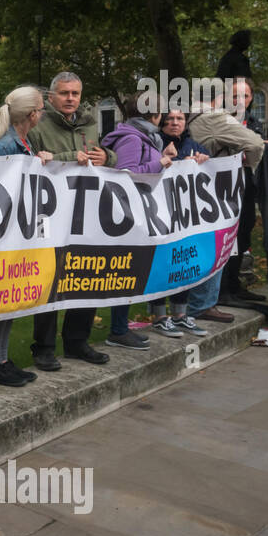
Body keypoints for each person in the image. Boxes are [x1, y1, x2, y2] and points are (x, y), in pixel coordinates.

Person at [27, 71, 115, 370]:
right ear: (51, 97)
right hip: (50, 215)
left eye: (75, 93)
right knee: (50, 280)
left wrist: (107, 156)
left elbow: (101, 158)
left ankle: (77, 342)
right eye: (64, 93)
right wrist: (67, 155)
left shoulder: (89, 125)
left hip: (85, 212)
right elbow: (34, 163)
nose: (70, 99)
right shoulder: (38, 124)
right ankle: (44, 347)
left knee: (85, 276)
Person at [0, 86, 53, 386]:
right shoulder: (4, 147)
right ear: (32, 115)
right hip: (2, 236)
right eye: (41, 108)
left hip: (16, 234)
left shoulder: (21, 144)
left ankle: (2, 360)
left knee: (9, 297)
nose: (42, 113)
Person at [100, 95, 174, 349]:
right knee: (126, 270)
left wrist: (161, 158)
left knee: (132, 271)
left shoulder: (144, 136)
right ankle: (118, 330)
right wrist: (160, 162)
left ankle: (121, 327)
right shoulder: (132, 138)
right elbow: (126, 175)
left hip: (140, 212)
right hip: (128, 216)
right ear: (152, 115)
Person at [185, 89, 264, 321]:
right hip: (219, 189)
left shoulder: (188, 116)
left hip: (196, 189)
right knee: (219, 241)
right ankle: (206, 302)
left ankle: (204, 301)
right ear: (218, 99)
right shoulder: (215, 117)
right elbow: (256, 143)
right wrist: (248, 166)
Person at [151, 108, 211, 338]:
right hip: (160, 213)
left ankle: (180, 314)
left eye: (180, 119)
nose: (175, 123)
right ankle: (159, 316)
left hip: (186, 216)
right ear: (162, 122)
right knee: (162, 262)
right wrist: (173, 161)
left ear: (185, 122)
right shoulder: (154, 143)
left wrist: (203, 160)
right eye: (170, 119)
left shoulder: (195, 145)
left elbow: (211, 172)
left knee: (183, 262)